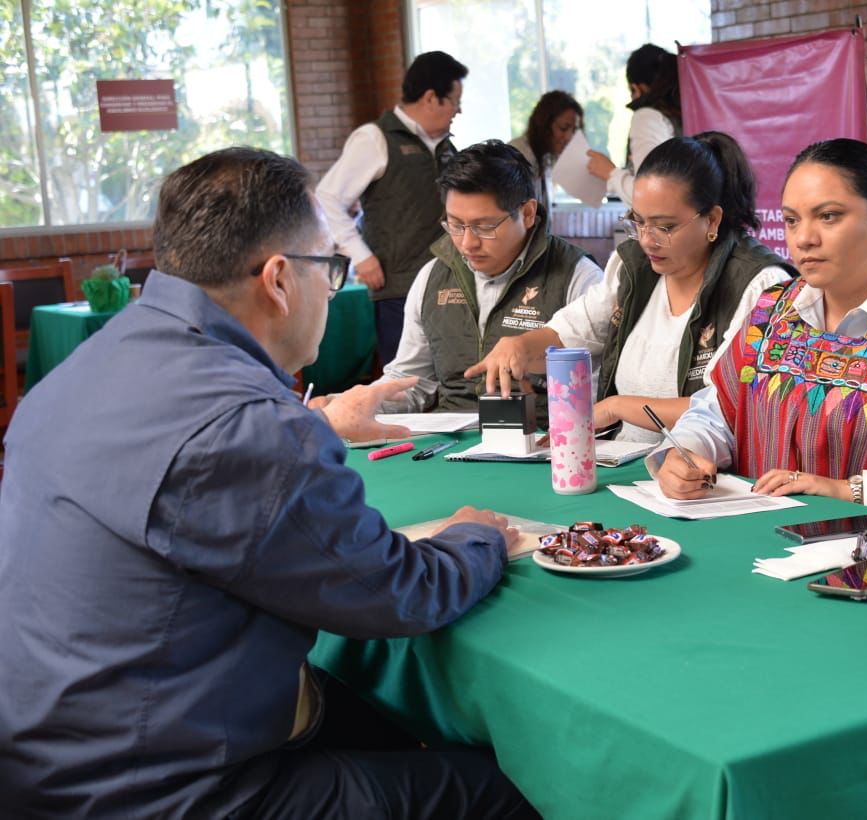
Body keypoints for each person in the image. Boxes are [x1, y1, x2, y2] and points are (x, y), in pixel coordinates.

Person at [0, 147, 538, 818]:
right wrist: (474, 538)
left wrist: (317, 425)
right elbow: (397, 593)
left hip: (49, 759)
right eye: (331, 268)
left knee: (376, 720)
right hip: (158, 791)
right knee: (497, 793)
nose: (334, 288)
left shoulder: (84, 367)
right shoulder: (252, 429)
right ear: (279, 279)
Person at [653, 139, 867, 521]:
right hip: (762, 540)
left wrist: (847, 491)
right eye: (792, 220)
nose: (804, 238)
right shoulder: (773, 308)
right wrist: (688, 450)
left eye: (828, 216)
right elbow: (719, 411)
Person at [466, 132, 793, 443]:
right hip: (626, 465)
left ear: (712, 220)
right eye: (638, 221)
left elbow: (729, 405)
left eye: (665, 226)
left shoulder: (760, 285)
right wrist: (520, 346)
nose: (647, 239)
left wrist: (615, 407)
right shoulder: (633, 267)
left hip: (712, 479)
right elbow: (575, 331)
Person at [349, 140, 602, 427]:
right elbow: (412, 382)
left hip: (542, 443)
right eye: (455, 225)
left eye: (485, 227)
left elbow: (595, 391)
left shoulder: (577, 276)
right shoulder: (433, 276)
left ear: (528, 213)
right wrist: (357, 402)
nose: (468, 243)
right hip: (447, 445)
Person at [317, 50, 468, 366]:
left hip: (449, 286)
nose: (458, 111)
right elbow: (327, 198)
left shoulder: (446, 147)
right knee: (406, 384)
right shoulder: (375, 139)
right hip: (398, 289)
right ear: (431, 98)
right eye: (454, 101)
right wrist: (362, 256)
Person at [586, 43, 682, 207]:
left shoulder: (648, 117)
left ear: (636, 87)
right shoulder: (685, 112)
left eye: (631, 91)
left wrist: (611, 173)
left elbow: (650, 195)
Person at [509, 90, 584, 221]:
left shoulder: (545, 157)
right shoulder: (517, 156)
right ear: (544, 126)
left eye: (574, 130)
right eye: (563, 128)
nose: (570, 137)